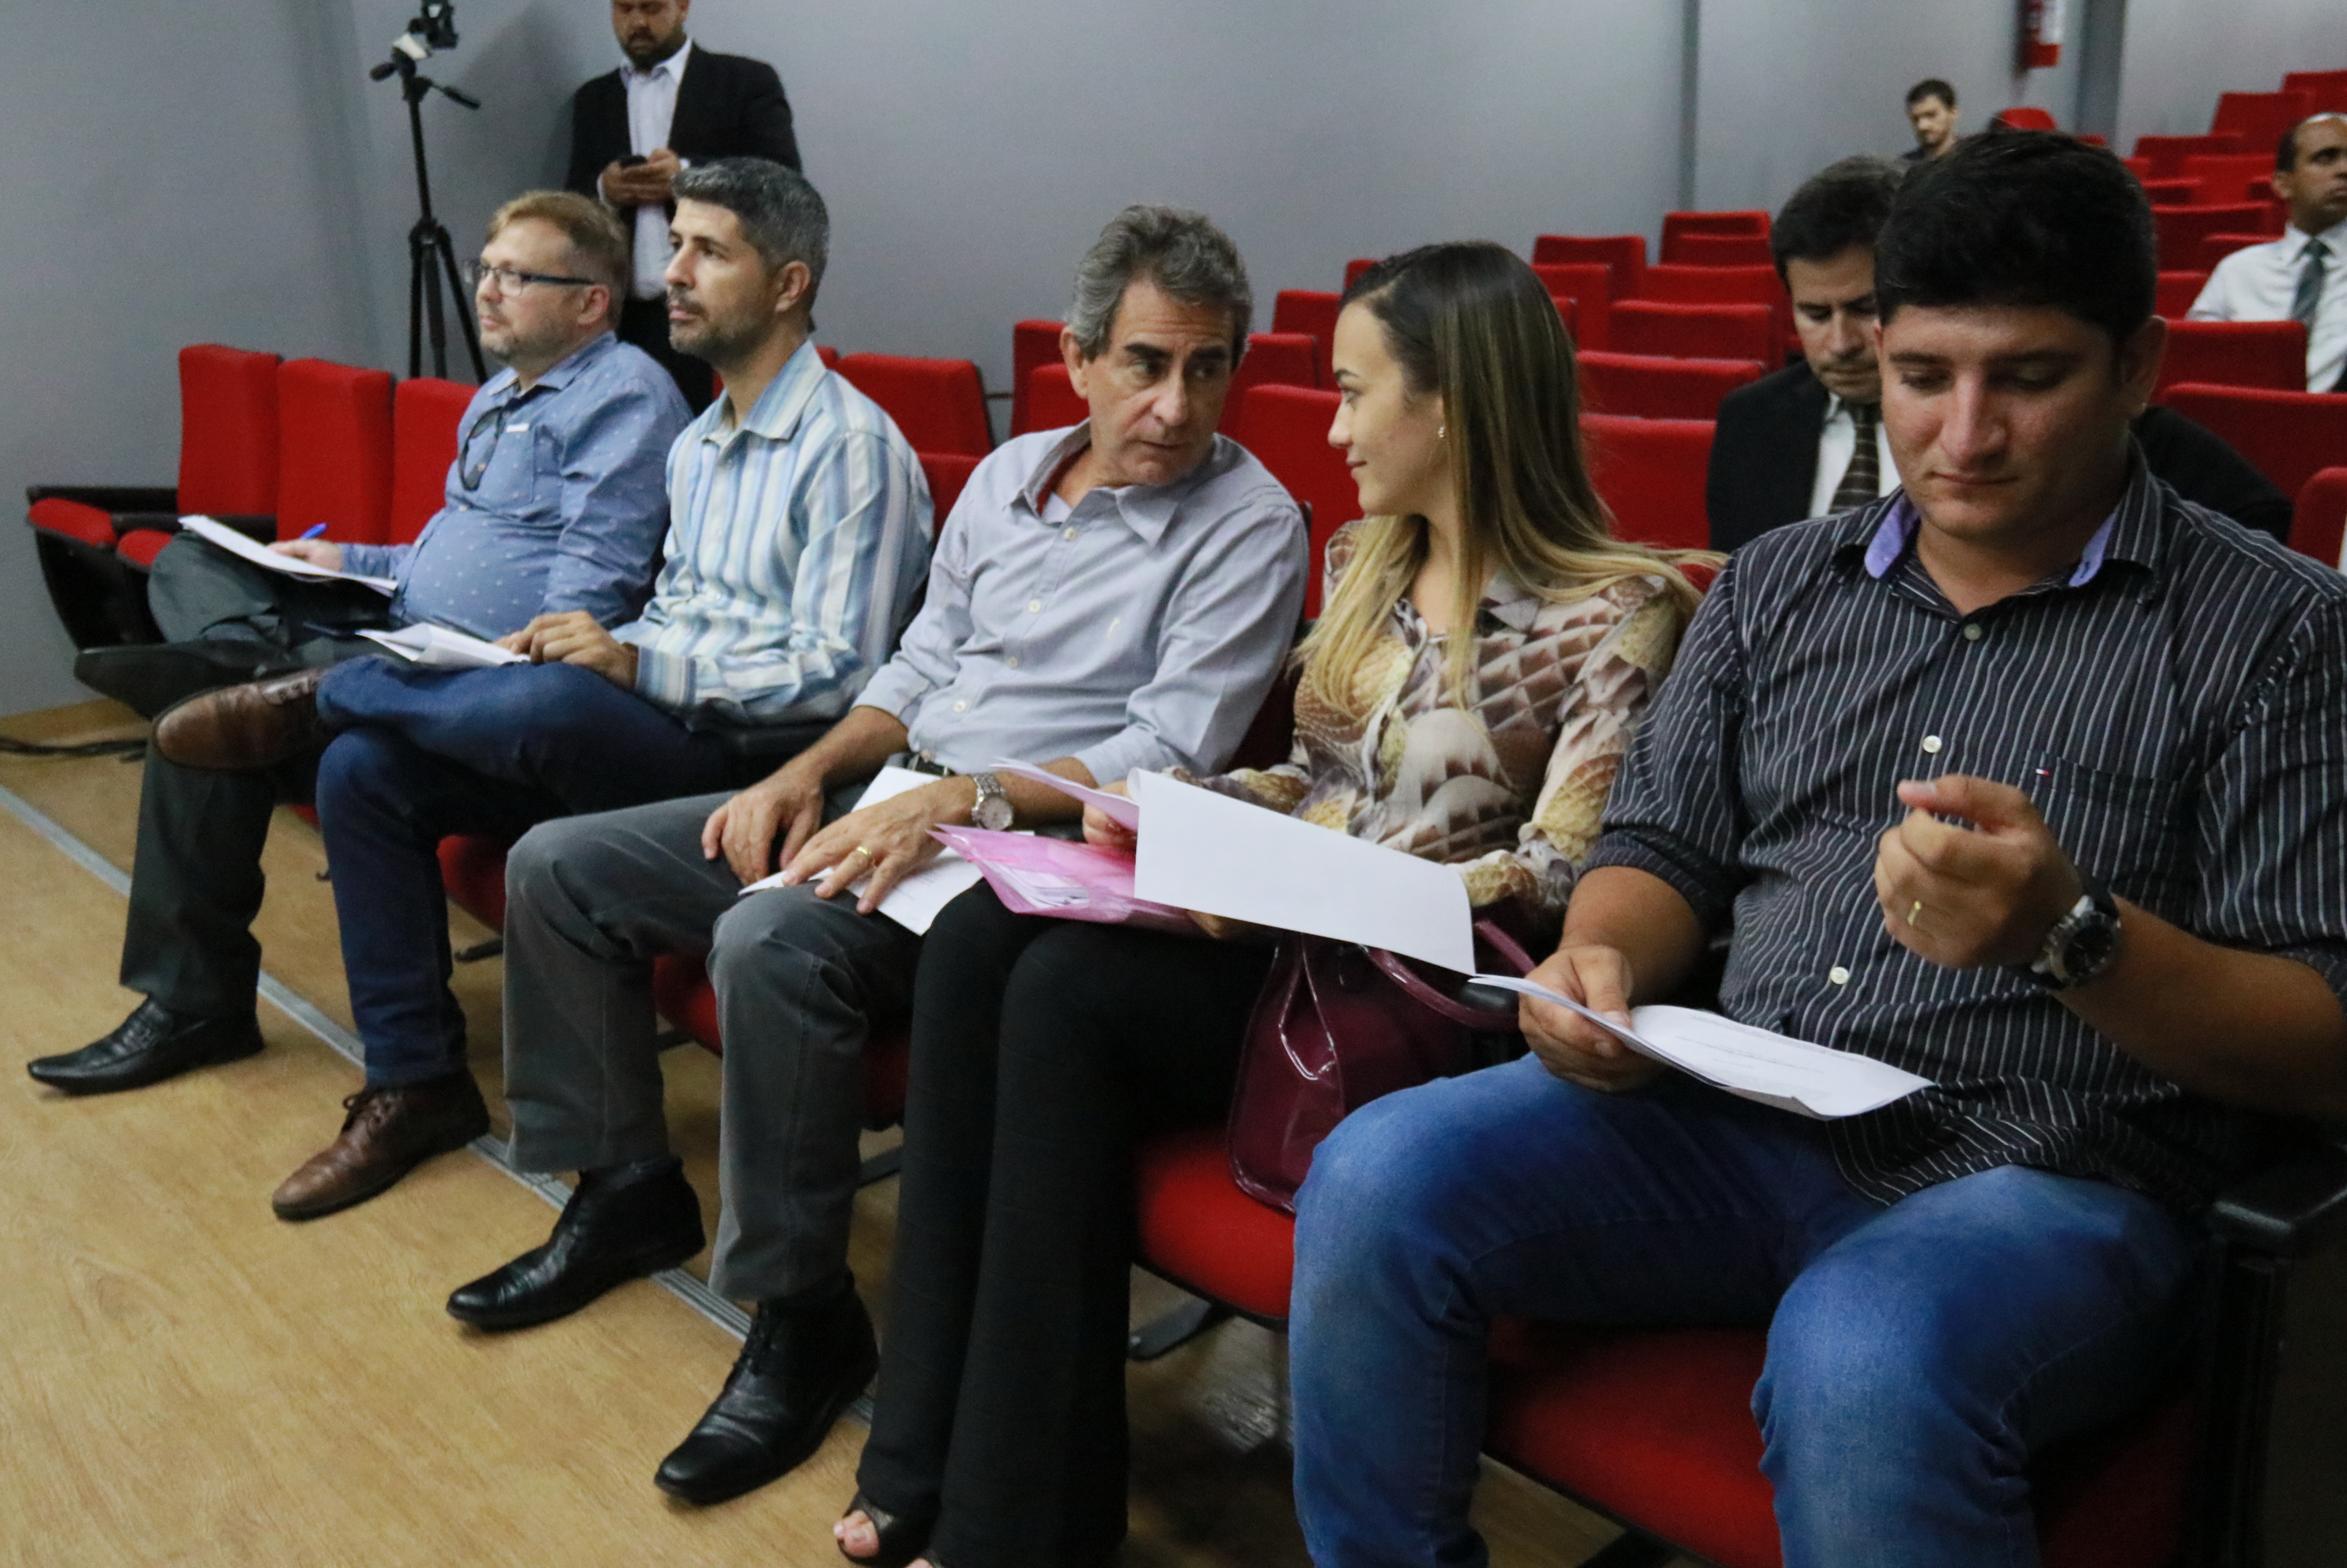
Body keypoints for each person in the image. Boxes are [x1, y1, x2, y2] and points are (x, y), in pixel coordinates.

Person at [1289, 132, 2347, 1568]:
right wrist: (1600, 957)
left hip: (2056, 1168)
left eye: (2027, 379)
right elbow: (1660, 841)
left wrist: (2069, 931)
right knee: (1376, 1175)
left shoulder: (2279, 633)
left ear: (2139, 368)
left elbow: (2323, 1042)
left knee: (1867, 1348)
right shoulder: (1778, 584)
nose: (1963, 435)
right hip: (1741, 1109)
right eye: (1921, 376)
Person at [836, 241, 1704, 1568]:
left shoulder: (1617, 612)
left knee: (1065, 997)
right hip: (1286, 939)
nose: (1332, 428)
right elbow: (1311, 771)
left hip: (1419, 991)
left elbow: (1559, 872)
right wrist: (1176, 808)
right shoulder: (1367, 559)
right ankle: (919, 1447)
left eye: (1354, 394)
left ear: (1451, 406)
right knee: (976, 939)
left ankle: (1021, 1524)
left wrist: (1324, 884)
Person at [450, 205, 1307, 1509]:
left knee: (769, 938)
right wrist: (805, 770)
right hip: (891, 796)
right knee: (561, 869)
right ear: (1078, 359)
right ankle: (623, 1187)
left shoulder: (1248, 522)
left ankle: (801, 1315)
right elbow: (914, 668)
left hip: (1026, 856)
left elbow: (1167, 750)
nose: (1176, 404)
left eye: (1209, 367)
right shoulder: (1009, 478)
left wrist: (958, 796)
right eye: (1146, 363)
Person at [141, 160, 930, 1223]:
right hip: (649, 717)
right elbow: (676, 612)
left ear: (789, 285)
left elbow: (840, 672)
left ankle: (326, 690)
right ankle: (415, 1083)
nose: (673, 273)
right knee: (367, 772)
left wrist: (635, 664)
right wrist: (597, 646)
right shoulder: (704, 443)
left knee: (544, 702)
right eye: (675, 246)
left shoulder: (852, 449)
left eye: (708, 252)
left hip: (757, 766)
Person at [27, 190, 688, 1098]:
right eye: (486, 269)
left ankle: (253, 691)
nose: (488, 290)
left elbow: (590, 590)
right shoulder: (498, 396)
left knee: (202, 728)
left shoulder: (625, 397)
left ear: (590, 302)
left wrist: (477, 651)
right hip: (391, 629)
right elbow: (444, 546)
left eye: (518, 276)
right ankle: (265, 674)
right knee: (191, 560)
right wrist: (347, 557)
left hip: (477, 676)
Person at [1711, 153, 2292, 551]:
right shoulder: (1751, 421)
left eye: (2028, 379)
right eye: (1815, 314)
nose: (1840, 344)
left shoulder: (2144, 450)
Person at [569, 0, 801, 413]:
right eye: (624, 9)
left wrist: (691, 176)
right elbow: (570, 200)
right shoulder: (593, 98)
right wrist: (605, 188)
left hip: (724, 312)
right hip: (625, 321)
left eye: (651, 7)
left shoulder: (744, 82)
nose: (638, 22)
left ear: (682, 6)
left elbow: (784, 181)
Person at [2188, 112, 2347, 394]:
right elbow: (2195, 366)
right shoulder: (2238, 271)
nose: (2344, 169)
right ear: (2282, 184)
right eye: (2325, 158)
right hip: (2246, 416)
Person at [1904, 78, 1960, 162]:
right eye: (1915, 119)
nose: (1922, 126)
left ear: (1953, 113)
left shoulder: (1976, 161)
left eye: (1931, 115)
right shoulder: (1904, 167)